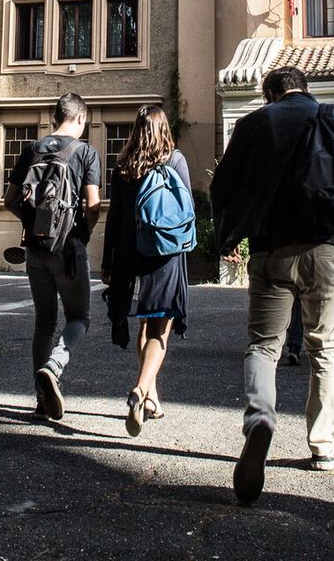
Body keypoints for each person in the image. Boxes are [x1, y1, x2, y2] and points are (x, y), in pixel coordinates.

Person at [211, 66, 334, 504]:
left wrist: (228, 239)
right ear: (305, 88)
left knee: (263, 345)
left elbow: (224, 186)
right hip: (325, 249)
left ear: (269, 93)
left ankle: (260, 419)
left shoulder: (253, 124)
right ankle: (322, 445)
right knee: (324, 347)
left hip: (269, 250)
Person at [3, 92, 101, 422]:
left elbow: (10, 200)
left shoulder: (31, 149)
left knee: (44, 322)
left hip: (35, 248)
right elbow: (93, 205)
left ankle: (42, 399)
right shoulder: (86, 152)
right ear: (81, 118)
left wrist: (35, 224)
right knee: (79, 317)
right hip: (69, 249)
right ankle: (55, 365)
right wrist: (82, 234)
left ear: (55, 117)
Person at [100, 105, 190, 437]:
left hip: (128, 254)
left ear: (136, 130)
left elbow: (113, 218)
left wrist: (107, 262)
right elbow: (185, 209)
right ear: (164, 129)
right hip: (163, 254)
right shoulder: (175, 161)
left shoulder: (123, 166)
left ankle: (151, 398)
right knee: (158, 331)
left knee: (141, 324)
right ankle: (140, 390)